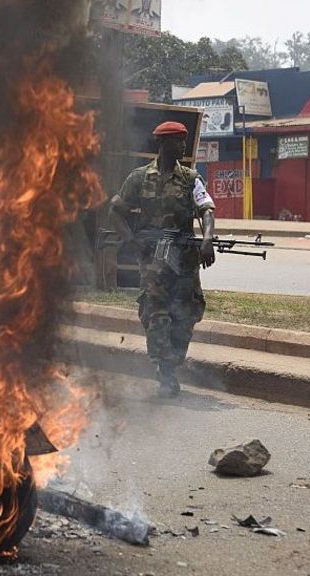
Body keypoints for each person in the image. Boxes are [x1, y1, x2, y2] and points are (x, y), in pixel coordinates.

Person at [108, 121, 215, 397]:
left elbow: (206, 209)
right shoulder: (140, 178)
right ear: (163, 143)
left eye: (184, 140)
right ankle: (165, 371)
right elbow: (116, 211)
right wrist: (131, 241)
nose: (183, 145)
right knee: (156, 314)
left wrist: (206, 239)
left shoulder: (191, 178)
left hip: (185, 262)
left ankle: (172, 362)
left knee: (186, 316)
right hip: (154, 262)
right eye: (178, 141)